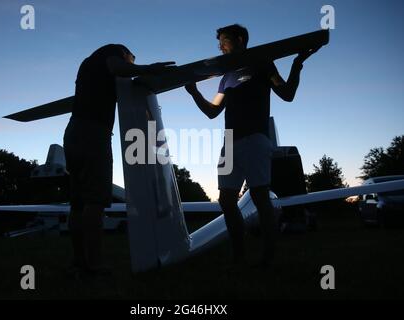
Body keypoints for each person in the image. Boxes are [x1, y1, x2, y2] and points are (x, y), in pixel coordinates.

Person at [185, 24, 319, 268]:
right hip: (230, 143)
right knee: (226, 200)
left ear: (239, 39)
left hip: (255, 139)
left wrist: (298, 64)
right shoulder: (226, 77)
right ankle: (239, 256)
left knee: (259, 196)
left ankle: (268, 257)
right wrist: (194, 93)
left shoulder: (262, 64)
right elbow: (213, 112)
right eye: (219, 43)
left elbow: (287, 93)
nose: (220, 46)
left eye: (224, 40)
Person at [63, 44, 175, 278]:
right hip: (94, 133)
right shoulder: (111, 53)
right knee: (94, 201)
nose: (131, 66)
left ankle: (78, 260)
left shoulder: (88, 66)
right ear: (125, 54)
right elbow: (117, 66)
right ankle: (94, 265)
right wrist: (147, 69)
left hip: (74, 131)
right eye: (131, 61)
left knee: (77, 202)